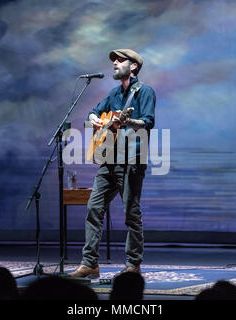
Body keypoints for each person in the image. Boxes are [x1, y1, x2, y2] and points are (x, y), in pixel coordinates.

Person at [71, 49, 156, 278]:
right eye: (114, 61)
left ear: (134, 66)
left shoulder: (144, 91)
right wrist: (94, 119)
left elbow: (147, 122)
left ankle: (133, 265)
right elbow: (93, 112)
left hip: (131, 160)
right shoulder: (114, 93)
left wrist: (128, 121)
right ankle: (90, 263)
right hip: (109, 159)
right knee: (94, 207)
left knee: (131, 213)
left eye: (120, 60)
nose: (115, 64)